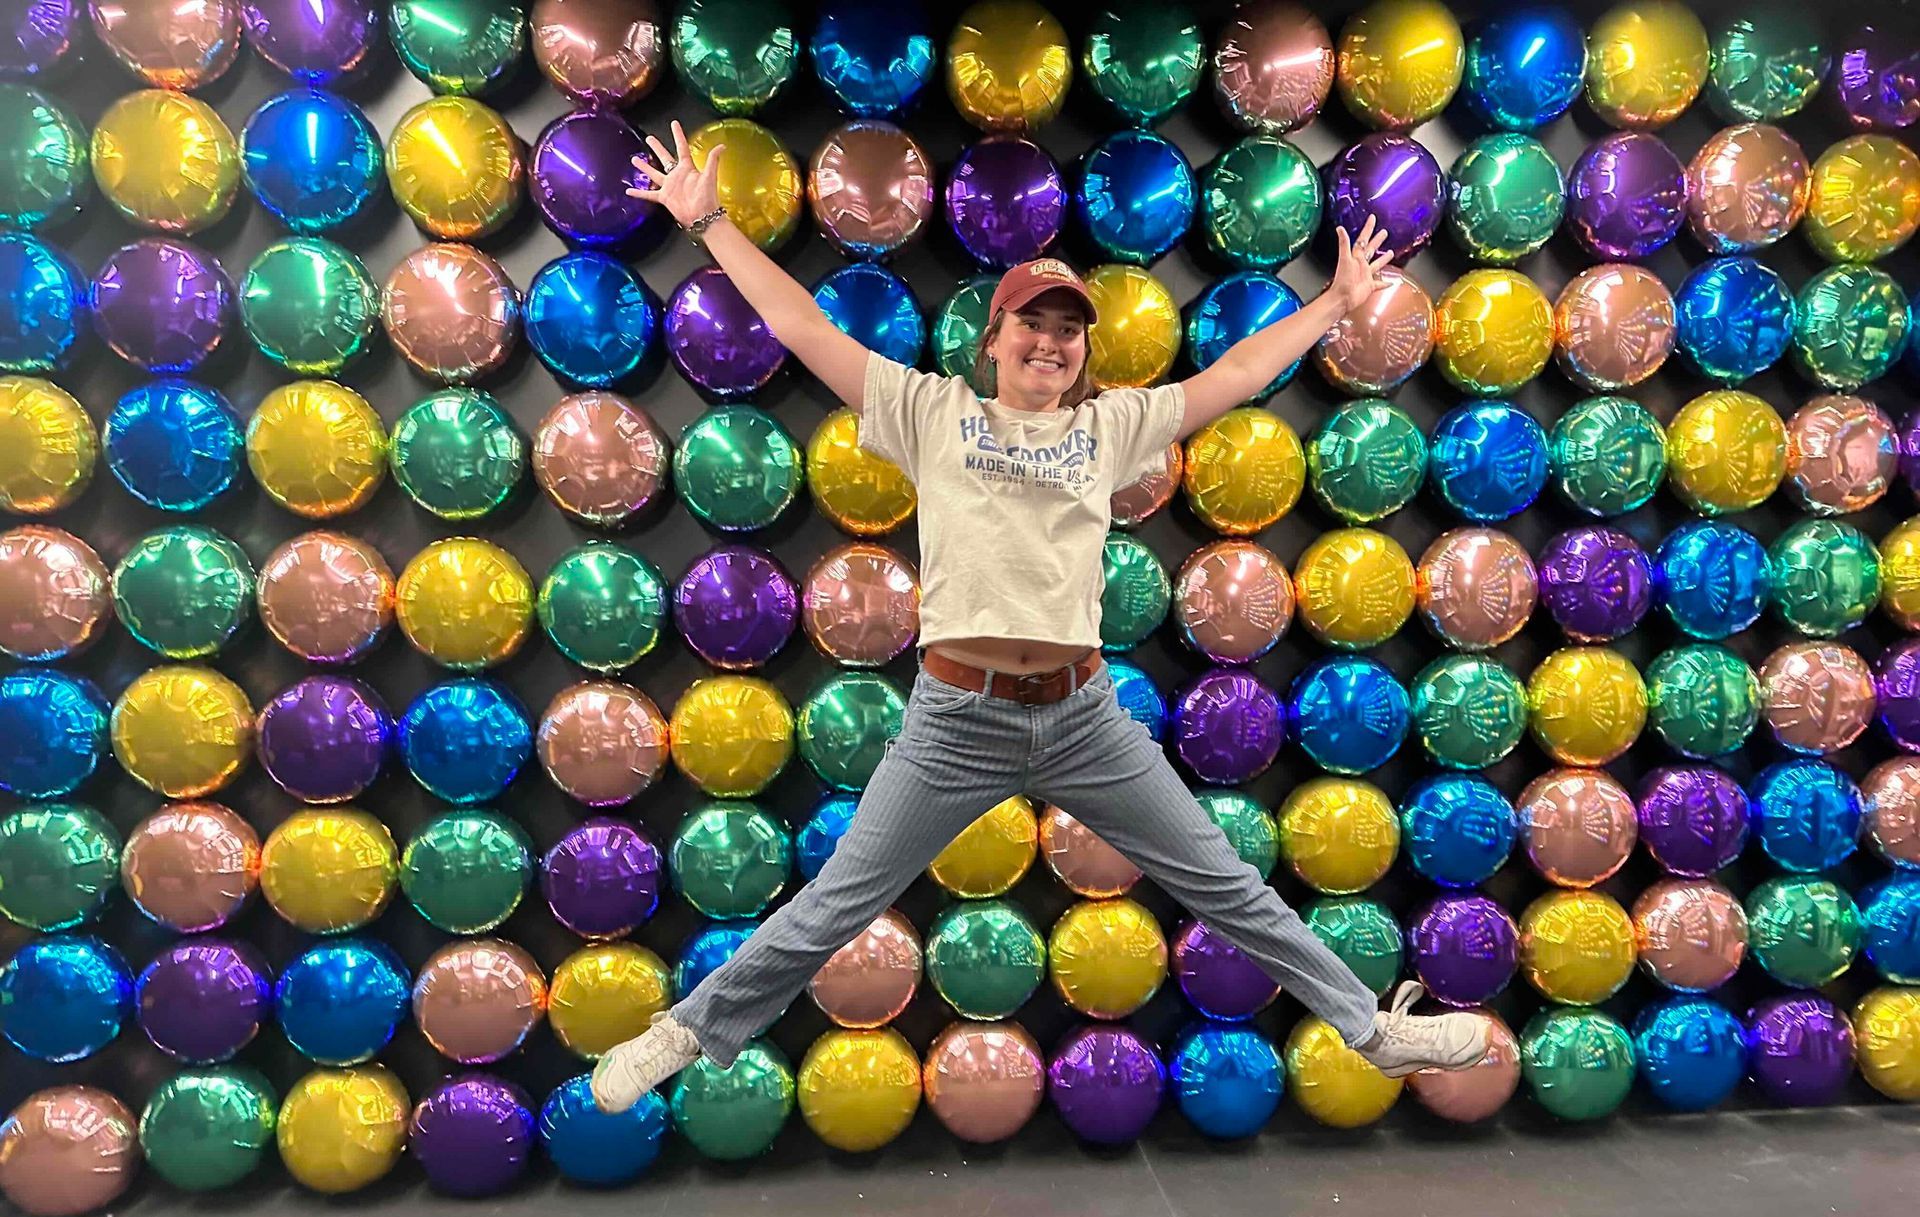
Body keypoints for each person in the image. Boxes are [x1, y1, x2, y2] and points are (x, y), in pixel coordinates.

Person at [591, 122, 1492, 1115]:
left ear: (1082, 355)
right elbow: (804, 326)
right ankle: (680, 1033)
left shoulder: (1111, 428)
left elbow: (1232, 378)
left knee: (1226, 885)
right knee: (836, 903)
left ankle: (1376, 1031)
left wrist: (1332, 303)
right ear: (995, 340)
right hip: (955, 722)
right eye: (1033, 324)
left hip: (1083, 719)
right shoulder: (934, 413)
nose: (1051, 342)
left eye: (1069, 331)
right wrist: (710, 222)